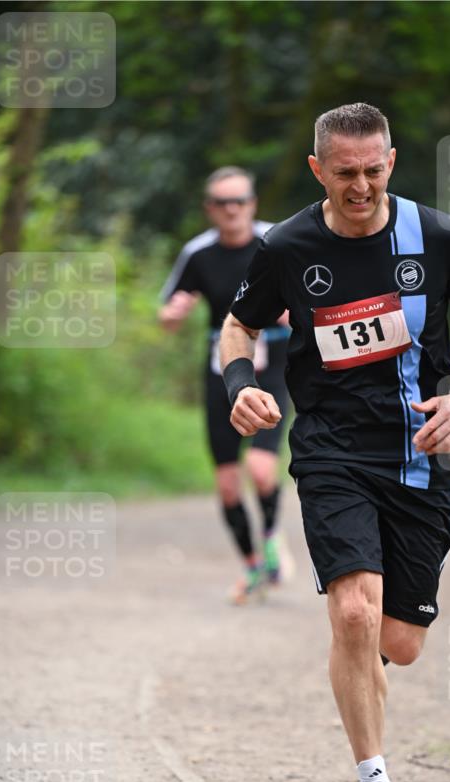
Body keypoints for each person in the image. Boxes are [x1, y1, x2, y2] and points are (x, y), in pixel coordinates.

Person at [219, 103, 450, 782]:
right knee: (352, 614)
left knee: (397, 642)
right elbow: (239, 326)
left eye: (373, 169)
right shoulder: (288, 245)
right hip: (331, 448)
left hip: (422, 450)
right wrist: (240, 385)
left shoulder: (434, 235)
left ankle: (362, 661)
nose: (361, 185)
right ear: (319, 170)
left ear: (390, 160)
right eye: (344, 173)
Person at [159, 167, 291, 604]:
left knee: (260, 469)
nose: (231, 210)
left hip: (272, 363)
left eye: (239, 201)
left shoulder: (277, 241)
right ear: (209, 209)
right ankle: (252, 567)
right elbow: (167, 313)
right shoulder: (198, 253)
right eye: (222, 203)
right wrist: (174, 313)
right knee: (229, 485)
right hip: (220, 368)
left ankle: (271, 538)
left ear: (252, 204)